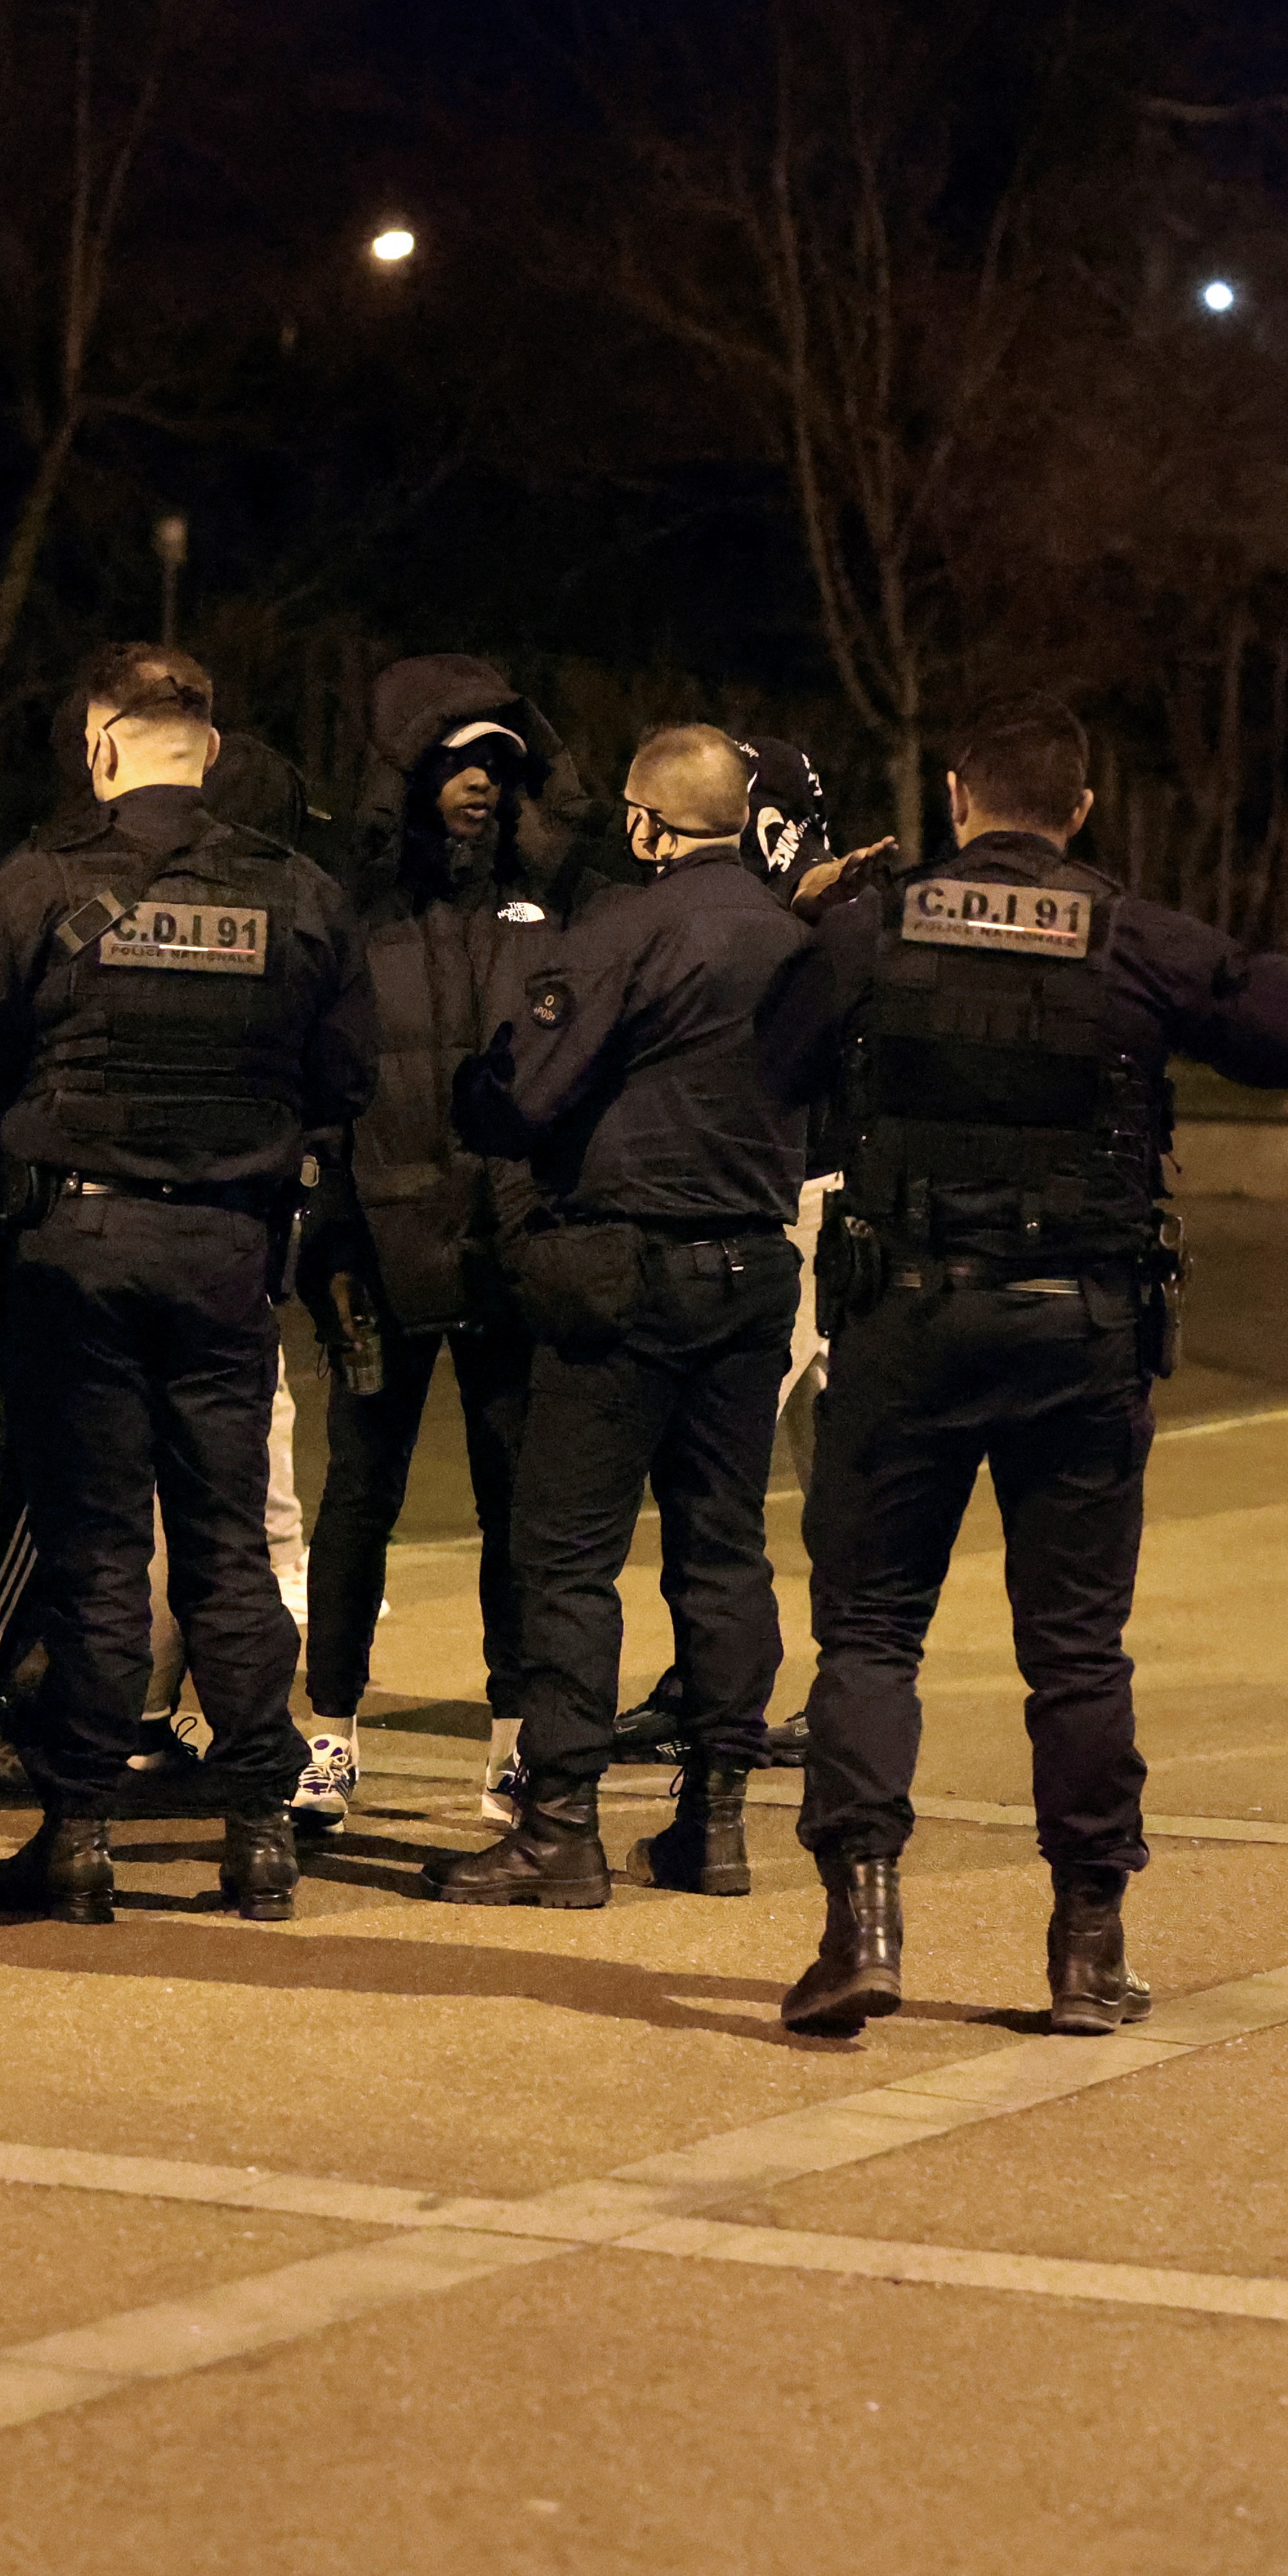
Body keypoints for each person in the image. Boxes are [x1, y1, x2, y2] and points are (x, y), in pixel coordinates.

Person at [779, 698, 1288, 2036]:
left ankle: (860, 1929)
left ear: (953, 798)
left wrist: (808, 913)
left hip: (904, 1327)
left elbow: (771, 1054)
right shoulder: (1131, 941)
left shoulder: (875, 927)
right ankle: (1086, 1954)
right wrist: (1187, 954)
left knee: (870, 1633)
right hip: (1079, 1337)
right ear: (1081, 811)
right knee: (1075, 1651)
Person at [0, 645, 375, 1924]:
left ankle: (73, 1840)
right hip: (230, 1255)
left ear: (100, 748)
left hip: (81, 1256)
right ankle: (257, 1836)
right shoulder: (301, 896)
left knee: (98, 1549)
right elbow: (347, 1082)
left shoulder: (39, 884)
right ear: (210, 750)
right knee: (227, 1544)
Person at [430, 723, 830, 1909]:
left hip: (626, 1278)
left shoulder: (623, 930)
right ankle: (714, 1824)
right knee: (723, 1550)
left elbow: (526, 1093)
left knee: (567, 1556)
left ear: (648, 825)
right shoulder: (793, 940)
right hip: (754, 1274)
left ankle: (559, 1830)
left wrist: (484, 1085)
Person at [289, 656, 583, 1838]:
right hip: (379, 1241)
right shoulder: (352, 907)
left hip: (513, 1250)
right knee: (361, 1495)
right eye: (458, 762)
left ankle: (511, 1749)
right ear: (411, 776)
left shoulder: (550, 905)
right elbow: (320, 1079)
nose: (480, 785)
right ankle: (330, 1737)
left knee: (521, 1503)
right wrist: (326, 1233)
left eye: (498, 767)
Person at [607, 736, 851, 1775]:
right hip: (791, 1191)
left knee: (751, 1469)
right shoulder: (795, 906)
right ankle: (762, 1684)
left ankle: (775, 1689)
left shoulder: (802, 906)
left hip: (796, 1194)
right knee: (760, 1466)